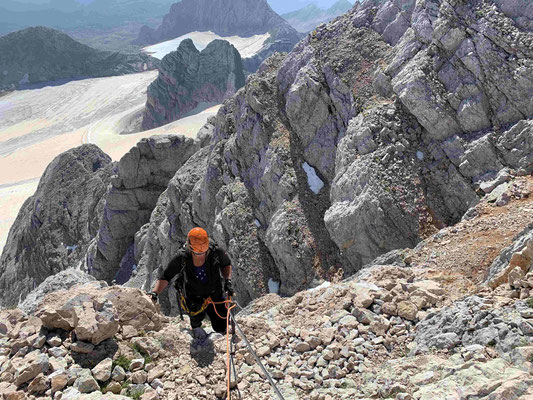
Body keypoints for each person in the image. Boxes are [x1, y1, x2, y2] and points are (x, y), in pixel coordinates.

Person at [148, 227, 234, 339]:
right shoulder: (182, 258)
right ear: (189, 246)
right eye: (198, 252)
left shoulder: (216, 253)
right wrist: (155, 292)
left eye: (203, 252)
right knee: (196, 328)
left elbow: (226, 265)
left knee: (222, 327)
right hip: (194, 300)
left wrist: (228, 280)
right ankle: (198, 334)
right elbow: (166, 276)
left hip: (215, 297)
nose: (201, 254)